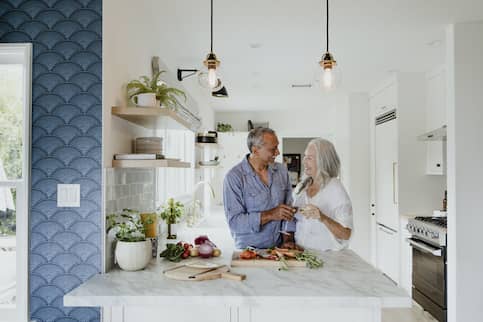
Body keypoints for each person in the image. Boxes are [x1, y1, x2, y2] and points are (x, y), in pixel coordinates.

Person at [223, 127, 297, 249]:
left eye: (277, 147)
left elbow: (289, 211)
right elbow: (235, 222)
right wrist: (271, 214)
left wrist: (288, 240)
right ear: (255, 150)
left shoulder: (281, 171)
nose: (278, 153)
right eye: (272, 149)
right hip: (249, 252)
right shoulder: (234, 177)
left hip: (279, 250)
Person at [293, 138, 353, 252]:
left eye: (309, 158)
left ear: (323, 161)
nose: (304, 161)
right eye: (305, 156)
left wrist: (322, 217)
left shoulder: (334, 188)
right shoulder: (303, 186)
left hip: (326, 258)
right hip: (301, 254)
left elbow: (346, 234)